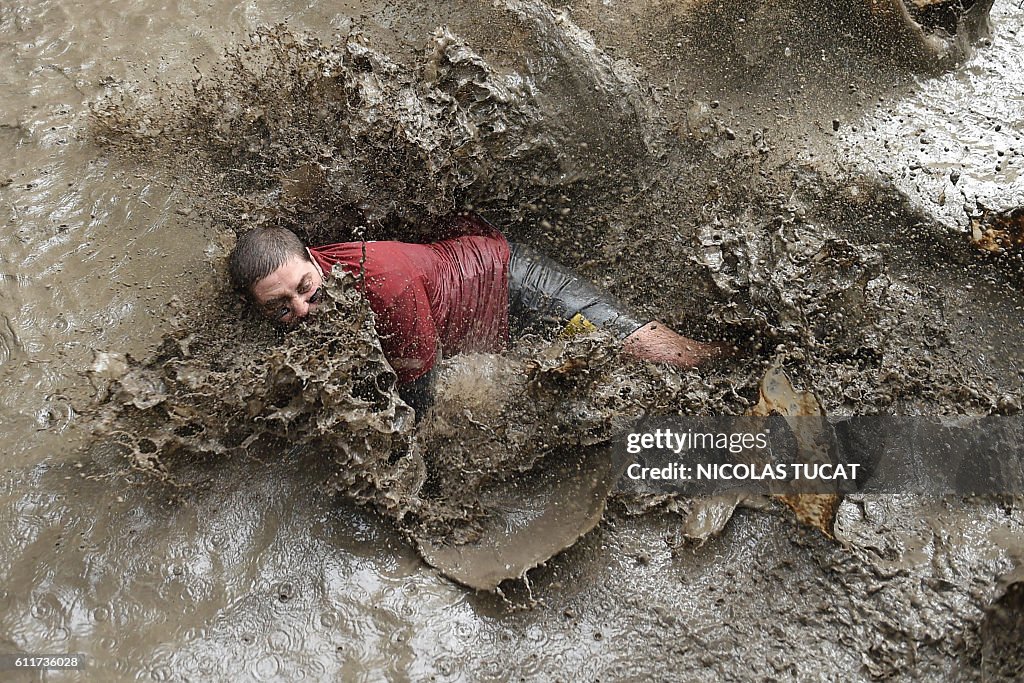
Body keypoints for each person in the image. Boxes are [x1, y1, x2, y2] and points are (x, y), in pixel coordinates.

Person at [228, 213, 730, 410]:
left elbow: (417, 399)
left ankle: (733, 364)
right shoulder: (309, 281)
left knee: (646, 350)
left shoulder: (384, 286)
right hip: (472, 308)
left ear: (315, 260)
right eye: (280, 308)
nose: (303, 310)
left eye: (306, 290)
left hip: (511, 283)